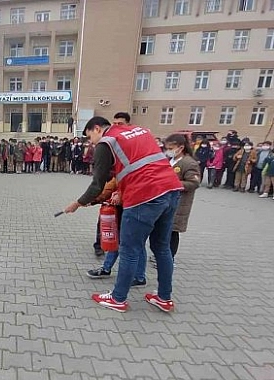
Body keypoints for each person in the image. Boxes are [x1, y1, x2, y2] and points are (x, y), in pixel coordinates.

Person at [64, 113, 183, 313]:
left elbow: (97, 184)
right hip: (171, 191)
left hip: (144, 196)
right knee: (162, 247)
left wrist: (78, 203)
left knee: (129, 249)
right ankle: (164, 297)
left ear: (97, 129)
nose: (91, 142)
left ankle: (118, 299)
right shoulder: (139, 131)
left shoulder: (106, 142)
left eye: (89, 137)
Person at [86, 178, 148, 282]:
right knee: (118, 239)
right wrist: (93, 199)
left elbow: (140, 188)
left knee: (138, 243)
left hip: (139, 210)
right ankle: (106, 268)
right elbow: (112, 186)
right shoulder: (123, 169)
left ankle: (139, 277)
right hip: (124, 209)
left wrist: (120, 195)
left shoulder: (143, 168)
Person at [163, 134, 200, 259]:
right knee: (164, 231)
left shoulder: (189, 163)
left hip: (179, 203)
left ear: (181, 147)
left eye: (171, 147)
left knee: (173, 231)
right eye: (167, 147)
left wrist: (172, 184)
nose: (168, 150)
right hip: (167, 201)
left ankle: (170, 257)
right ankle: (163, 255)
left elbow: (194, 183)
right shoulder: (170, 160)